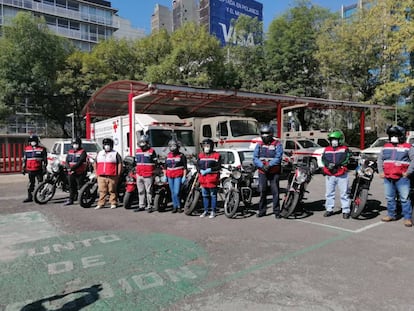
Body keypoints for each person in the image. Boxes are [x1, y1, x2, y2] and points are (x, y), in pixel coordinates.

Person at [378, 125, 414, 227]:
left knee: (404, 198)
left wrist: (408, 172)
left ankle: (407, 218)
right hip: (388, 177)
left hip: (402, 178)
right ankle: (391, 215)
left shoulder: (408, 147)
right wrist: (381, 171)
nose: (393, 137)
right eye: (391, 135)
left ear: (401, 136)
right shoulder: (386, 146)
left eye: (395, 135)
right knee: (390, 197)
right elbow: (380, 159)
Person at [253, 125, 283, 218]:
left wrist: (269, 165)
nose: (265, 135)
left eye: (266, 133)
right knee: (263, 192)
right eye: (263, 133)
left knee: (275, 192)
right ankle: (262, 211)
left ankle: (277, 211)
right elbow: (255, 158)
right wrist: (262, 166)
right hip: (262, 172)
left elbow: (278, 157)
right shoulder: (259, 144)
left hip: (274, 172)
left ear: (271, 134)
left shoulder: (277, 144)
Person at [321, 129, 351, 219]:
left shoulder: (344, 149)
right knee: (329, 193)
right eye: (332, 139)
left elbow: (346, 158)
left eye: (335, 139)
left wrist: (336, 165)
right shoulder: (327, 149)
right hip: (330, 174)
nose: (333, 141)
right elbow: (323, 159)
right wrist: (327, 165)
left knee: (344, 193)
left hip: (341, 174)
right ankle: (329, 209)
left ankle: (345, 210)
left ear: (340, 140)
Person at [93, 137, 122, 209]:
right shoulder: (100, 153)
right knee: (102, 191)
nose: (107, 146)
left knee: (112, 190)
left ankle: (113, 203)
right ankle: (101, 203)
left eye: (108, 144)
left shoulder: (115, 154)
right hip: (101, 175)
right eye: (105, 144)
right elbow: (95, 163)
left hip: (112, 175)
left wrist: (118, 173)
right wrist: (96, 173)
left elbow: (120, 163)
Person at [197, 138, 222, 219]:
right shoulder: (200, 155)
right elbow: (197, 165)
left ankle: (213, 211)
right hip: (203, 179)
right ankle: (205, 210)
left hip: (212, 179)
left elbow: (218, 166)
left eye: (208, 146)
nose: (206, 147)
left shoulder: (216, 155)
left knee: (213, 195)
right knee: (205, 195)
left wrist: (210, 170)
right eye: (205, 146)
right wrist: (200, 170)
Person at [135, 135, 158, 212]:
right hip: (139, 174)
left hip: (148, 174)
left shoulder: (152, 151)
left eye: (143, 142)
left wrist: (154, 172)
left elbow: (155, 162)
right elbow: (136, 162)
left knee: (149, 191)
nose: (142, 144)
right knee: (140, 191)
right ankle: (141, 205)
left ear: (147, 143)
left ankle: (149, 206)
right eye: (141, 142)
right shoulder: (137, 151)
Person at [22, 135, 47, 203]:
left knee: (40, 183)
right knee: (30, 184)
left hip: (39, 169)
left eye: (34, 141)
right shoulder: (26, 149)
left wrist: (45, 168)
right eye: (31, 141)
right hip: (30, 170)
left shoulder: (42, 149)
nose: (33, 142)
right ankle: (29, 197)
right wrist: (23, 168)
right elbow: (24, 159)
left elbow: (45, 160)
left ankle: (41, 196)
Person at [165, 139, 187, 213]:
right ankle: (174, 206)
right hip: (169, 176)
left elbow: (185, 167)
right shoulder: (168, 155)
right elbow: (165, 167)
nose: (172, 148)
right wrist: (165, 176)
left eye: (174, 146)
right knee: (172, 192)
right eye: (171, 146)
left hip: (178, 175)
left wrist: (184, 176)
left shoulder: (181, 155)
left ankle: (179, 206)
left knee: (176, 192)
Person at [63, 137, 87, 206]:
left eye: (76, 144)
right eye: (74, 144)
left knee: (80, 186)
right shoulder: (70, 151)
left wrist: (72, 168)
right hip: (71, 172)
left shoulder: (83, 152)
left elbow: (80, 161)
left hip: (79, 172)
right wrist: (68, 167)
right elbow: (67, 160)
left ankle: (82, 198)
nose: (75, 145)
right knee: (71, 187)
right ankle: (71, 199)